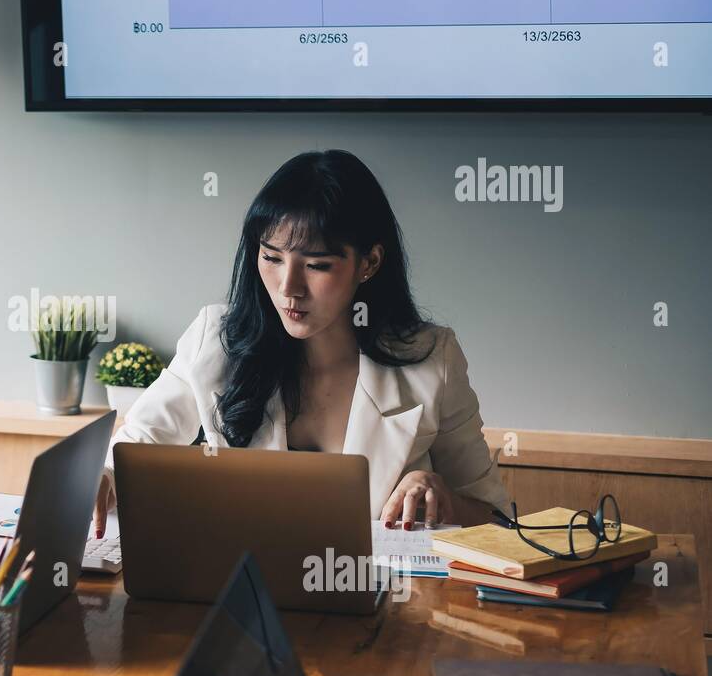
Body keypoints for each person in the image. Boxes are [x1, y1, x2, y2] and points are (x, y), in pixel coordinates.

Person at [93, 149, 510, 536]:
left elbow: (500, 519)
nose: (288, 288)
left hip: (375, 601)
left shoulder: (433, 360)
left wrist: (442, 497)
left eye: (317, 265)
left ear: (369, 263)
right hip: (246, 591)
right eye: (271, 258)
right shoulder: (215, 338)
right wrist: (104, 476)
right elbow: (136, 446)